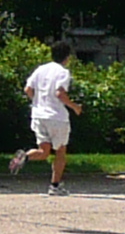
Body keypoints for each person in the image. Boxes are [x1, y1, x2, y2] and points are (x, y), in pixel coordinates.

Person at [10, 47, 81, 194]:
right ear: (67, 57)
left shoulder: (40, 69)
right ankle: (55, 186)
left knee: (43, 151)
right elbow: (60, 93)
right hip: (57, 117)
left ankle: (24, 157)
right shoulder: (63, 72)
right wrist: (74, 107)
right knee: (60, 152)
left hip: (38, 115)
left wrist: (37, 102)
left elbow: (27, 89)